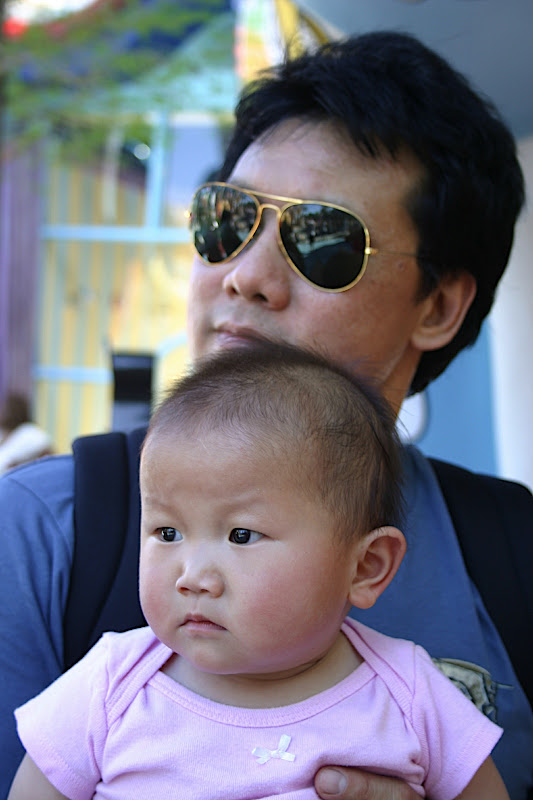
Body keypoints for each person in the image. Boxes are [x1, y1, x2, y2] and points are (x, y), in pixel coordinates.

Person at [0, 29, 532, 800]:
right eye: (228, 218)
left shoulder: (512, 554)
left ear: (438, 306)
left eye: (321, 239)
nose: (244, 275)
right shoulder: (41, 532)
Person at [9, 344, 508, 799]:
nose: (192, 576)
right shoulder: (109, 686)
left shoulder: (413, 697)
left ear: (365, 567)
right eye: (167, 532)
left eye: (241, 536)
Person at [0, 393, 53, 475]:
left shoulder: (30, 432)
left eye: (4, 409)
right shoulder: (3, 433)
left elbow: (49, 456)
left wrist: (22, 467)